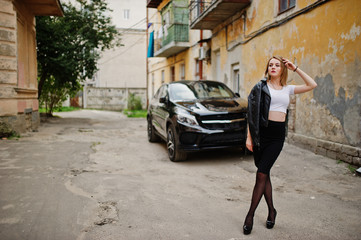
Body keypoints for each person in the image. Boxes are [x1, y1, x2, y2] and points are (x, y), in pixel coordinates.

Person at [243, 56, 317, 235]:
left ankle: (250, 215)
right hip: (261, 134)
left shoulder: (288, 89)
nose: (273, 67)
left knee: (261, 173)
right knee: (264, 172)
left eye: (277, 65)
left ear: (282, 69)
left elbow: (312, 84)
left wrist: (295, 68)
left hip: (276, 138)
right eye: (270, 65)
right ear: (267, 68)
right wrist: (249, 137)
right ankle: (271, 211)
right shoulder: (260, 88)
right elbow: (251, 113)